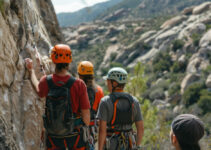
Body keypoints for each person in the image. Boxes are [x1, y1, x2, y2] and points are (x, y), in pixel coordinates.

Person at [25, 44, 90, 150]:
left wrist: (31, 70)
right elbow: (86, 119)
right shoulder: (79, 84)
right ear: (69, 62)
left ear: (53, 60)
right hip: (75, 138)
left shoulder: (46, 81)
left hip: (53, 139)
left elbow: (38, 89)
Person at [96, 67, 144, 150]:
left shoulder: (105, 101)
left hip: (111, 144)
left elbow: (102, 131)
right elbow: (140, 129)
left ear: (114, 83)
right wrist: (137, 146)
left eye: (108, 81)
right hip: (129, 144)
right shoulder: (134, 101)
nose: (107, 83)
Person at [77, 61, 104, 147]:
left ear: (80, 75)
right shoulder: (99, 90)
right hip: (92, 129)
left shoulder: (75, 89)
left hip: (77, 127)